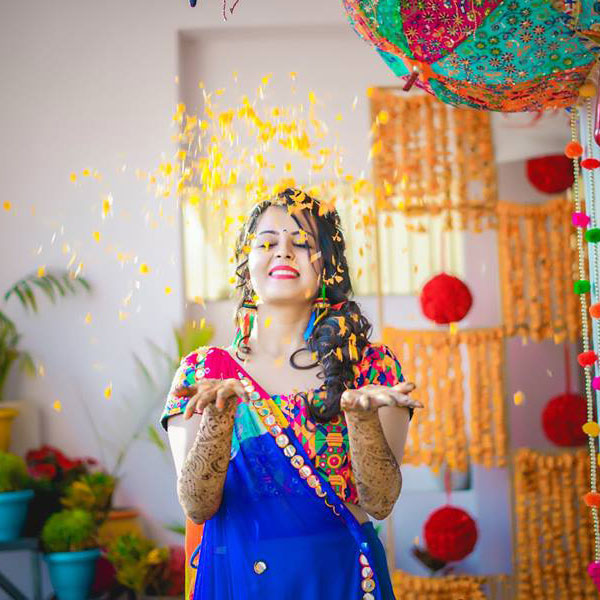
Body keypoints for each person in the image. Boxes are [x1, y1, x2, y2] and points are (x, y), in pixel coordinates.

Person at [160, 188, 422, 600]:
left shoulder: (369, 366)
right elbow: (197, 505)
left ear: (328, 266)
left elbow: (380, 502)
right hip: (242, 584)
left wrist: (360, 419)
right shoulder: (204, 372)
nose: (283, 251)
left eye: (301, 243)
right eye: (267, 243)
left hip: (342, 580)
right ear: (247, 263)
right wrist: (220, 418)